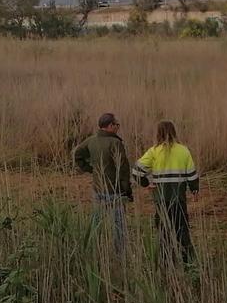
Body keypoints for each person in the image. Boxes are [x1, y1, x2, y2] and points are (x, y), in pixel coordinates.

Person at [133, 120, 200, 265]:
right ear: (174, 132)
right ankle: (188, 262)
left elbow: (136, 171)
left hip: (161, 200)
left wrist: (146, 183)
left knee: (164, 231)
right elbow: (192, 174)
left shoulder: (154, 151)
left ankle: (165, 262)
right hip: (179, 199)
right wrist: (194, 189)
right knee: (182, 231)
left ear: (158, 134)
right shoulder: (183, 150)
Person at [72, 113, 133, 252]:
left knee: (96, 221)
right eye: (116, 125)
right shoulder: (115, 143)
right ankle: (120, 254)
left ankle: (93, 248)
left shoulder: (91, 141)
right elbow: (123, 169)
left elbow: (77, 154)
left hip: (98, 189)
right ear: (110, 126)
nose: (118, 127)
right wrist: (127, 190)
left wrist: (90, 169)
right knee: (118, 225)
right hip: (115, 191)